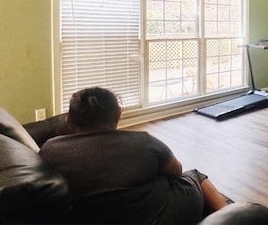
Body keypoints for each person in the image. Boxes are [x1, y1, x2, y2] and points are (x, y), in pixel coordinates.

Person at [39, 87, 229, 224]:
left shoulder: (49, 150)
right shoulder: (143, 142)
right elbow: (177, 171)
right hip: (155, 216)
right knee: (195, 174)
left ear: (70, 120)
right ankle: (233, 215)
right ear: (117, 114)